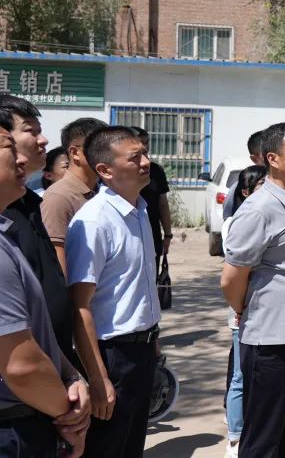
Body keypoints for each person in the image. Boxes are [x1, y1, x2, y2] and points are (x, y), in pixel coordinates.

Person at [220, 123, 285, 457]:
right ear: (273, 159)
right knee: (263, 440)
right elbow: (231, 279)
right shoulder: (259, 209)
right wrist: (243, 309)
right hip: (271, 340)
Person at [66, 126, 162, 458]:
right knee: (108, 448)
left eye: (145, 154)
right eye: (135, 158)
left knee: (131, 446)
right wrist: (98, 378)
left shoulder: (140, 210)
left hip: (141, 351)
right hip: (112, 357)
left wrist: (153, 339)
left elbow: (137, 289)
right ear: (105, 170)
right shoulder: (95, 221)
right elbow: (80, 306)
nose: (146, 162)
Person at [0, 116, 91, 458]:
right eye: (9, 149)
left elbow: (36, 332)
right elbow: (20, 366)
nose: (22, 160)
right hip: (13, 428)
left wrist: (70, 376)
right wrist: (70, 416)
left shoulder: (8, 232)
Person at [0, 97, 79, 369]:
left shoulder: (30, 203)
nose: (43, 140)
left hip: (53, 359)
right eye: (30, 131)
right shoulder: (5, 212)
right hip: (24, 373)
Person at [221, 165, 265, 458]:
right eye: (261, 184)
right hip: (243, 308)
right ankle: (235, 438)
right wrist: (239, 307)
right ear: (246, 192)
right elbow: (234, 275)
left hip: (264, 310)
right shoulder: (237, 223)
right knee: (240, 376)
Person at [42, 117, 107, 274]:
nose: (109, 154)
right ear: (75, 152)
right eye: (101, 147)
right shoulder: (58, 197)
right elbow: (56, 263)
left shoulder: (102, 192)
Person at [130, 128, 172, 274]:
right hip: (129, 234)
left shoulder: (155, 171)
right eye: (140, 142)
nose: (145, 146)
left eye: (146, 142)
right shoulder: (123, 172)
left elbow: (163, 204)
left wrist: (168, 235)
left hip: (152, 233)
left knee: (151, 276)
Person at [222, 130, 266, 220]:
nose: (273, 157)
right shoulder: (238, 188)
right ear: (254, 159)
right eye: (267, 154)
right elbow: (229, 220)